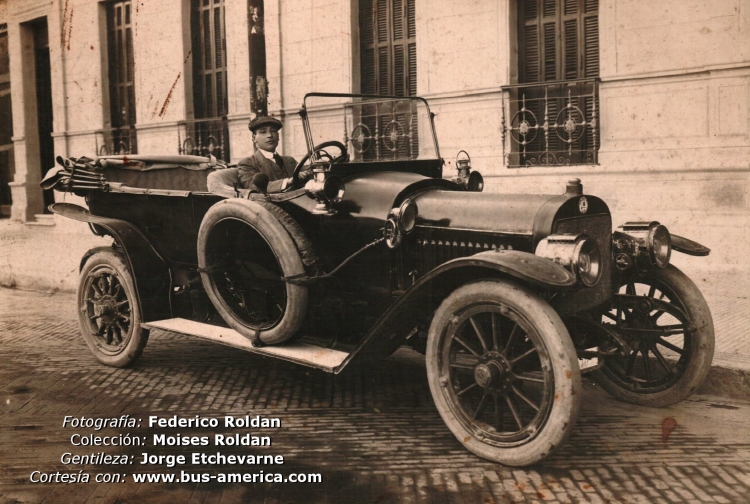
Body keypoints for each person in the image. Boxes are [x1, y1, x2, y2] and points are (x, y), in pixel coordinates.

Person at [238, 116, 310, 193]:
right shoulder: (247, 163)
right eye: (263, 132)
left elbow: (307, 170)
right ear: (254, 138)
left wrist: (315, 167)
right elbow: (254, 187)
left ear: (278, 136)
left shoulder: (289, 160)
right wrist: (288, 182)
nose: (270, 135)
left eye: (273, 131)